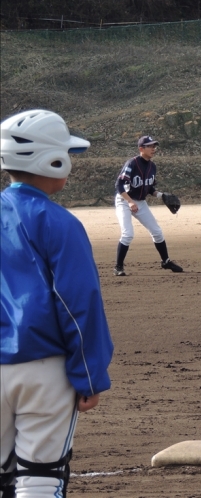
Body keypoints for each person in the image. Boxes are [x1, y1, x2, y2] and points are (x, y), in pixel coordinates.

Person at [1, 109, 115, 497]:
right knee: (40, 478)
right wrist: (89, 375)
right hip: (44, 369)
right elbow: (78, 304)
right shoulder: (60, 222)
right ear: (51, 160)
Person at [113, 135, 183, 276]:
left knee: (157, 232)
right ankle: (118, 267)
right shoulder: (132, 164)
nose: (153, 149)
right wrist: (130, 201)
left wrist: (161, 195)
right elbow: (119, 185)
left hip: (140, 202)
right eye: (150, 146)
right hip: (124, 200)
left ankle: (166, 261)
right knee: (128, 234)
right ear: (141, 149)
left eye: (154, 146)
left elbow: (149, 188)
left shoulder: (152, 167)